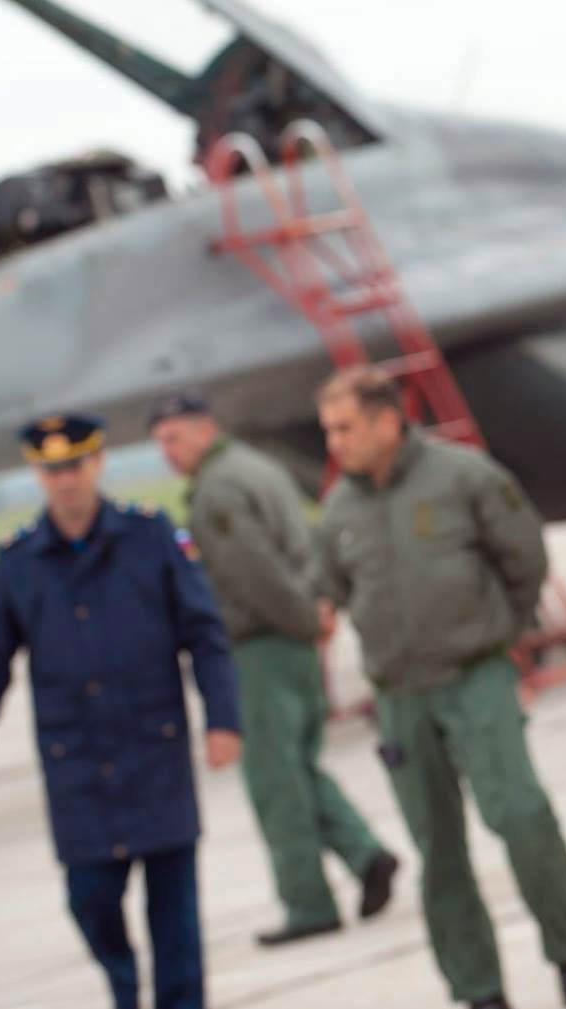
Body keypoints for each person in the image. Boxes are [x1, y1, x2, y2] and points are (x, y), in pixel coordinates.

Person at [310, 365, 566, 1009]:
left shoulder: (465, 478)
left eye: (345, 428)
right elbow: (332, 585)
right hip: (400, 696)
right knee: (437, 850)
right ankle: (477, 988)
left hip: (474, 677)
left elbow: (524, 560)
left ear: (387, 421)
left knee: (520, 816)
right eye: (329, 430)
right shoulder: (339, 508)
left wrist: (499, 636)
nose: (335, 443)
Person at [0, 414, 241, 1009]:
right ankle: (124, 985)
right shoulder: (18, 560)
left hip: (154, 749)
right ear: (38, 476)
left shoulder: (150, 536)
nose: (67, 480)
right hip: (78, 765)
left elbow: (205, 634)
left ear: (98, 463)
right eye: (53, 470)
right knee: (91, 900)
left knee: (175, 916)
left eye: (76, 465)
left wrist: (222, 719)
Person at [147, 391, 398, 947]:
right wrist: (314, 613)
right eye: (160, 442)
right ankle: (364, 854)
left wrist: (303, 621)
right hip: (291, 637)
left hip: (261, 646)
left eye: (174, 438)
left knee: (274, 782)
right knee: (298, 767)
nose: (168, 451)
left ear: (204, 429)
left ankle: (308, 903)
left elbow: (254, 574)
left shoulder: (218, 491)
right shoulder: (256, 467)